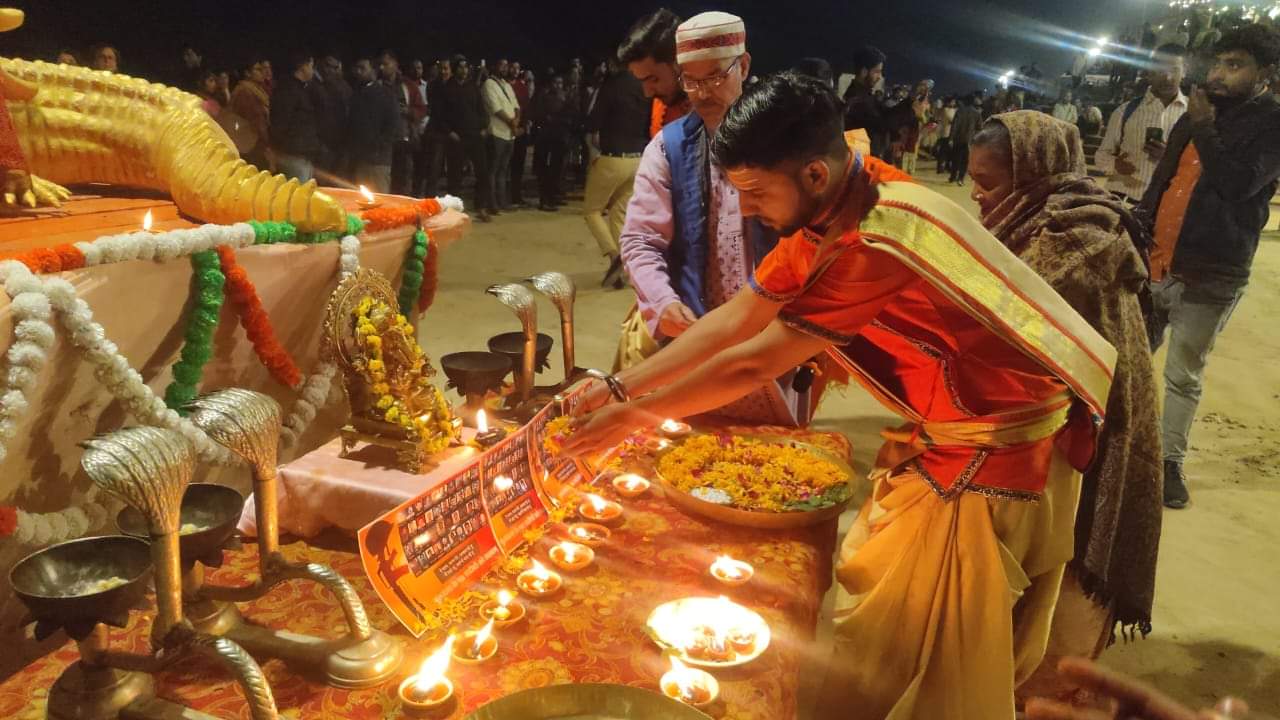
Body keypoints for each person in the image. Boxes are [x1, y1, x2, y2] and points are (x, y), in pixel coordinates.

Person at [565, 72, 1116, 720]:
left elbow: (753, 362)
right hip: (958, 429)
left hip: (989, 452)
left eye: (755, 193)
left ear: (815, 177)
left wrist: (633, 417)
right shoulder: (843, 199)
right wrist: (619, 384)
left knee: (923, 652)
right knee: (879, 607)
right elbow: (737, 318)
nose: (746, 210)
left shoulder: (873, 238)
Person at [967, 111, 1162, 702]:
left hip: (1097, 434)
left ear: (1036, 174)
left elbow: (1009, 331)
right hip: (1056, 425)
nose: (976, 194)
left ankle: (1046, 692)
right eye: (973, 179)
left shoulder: (1077, 240)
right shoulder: (1026, 222)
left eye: (989, 182)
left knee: (1068, 574)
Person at [616, 12, 835, 426]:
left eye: (715, 77)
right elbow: (641, 240)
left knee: (774, 464)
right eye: (690, 80)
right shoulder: (669, 147)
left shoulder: (790, 139)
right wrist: (663, 303)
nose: (701, 93)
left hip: (777, 334)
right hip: (698, 333)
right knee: (693, 450)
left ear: (745, 66)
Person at [1137, 25, 1280, 509]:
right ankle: (1110, 443)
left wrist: (1202, 126)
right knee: (1129, 358)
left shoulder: (1271, 123)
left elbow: (1238, 184)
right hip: (1157, 259)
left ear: (1265, 74)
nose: (1218, 74)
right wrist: (1138, 231)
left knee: (1182, 374)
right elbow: (1163, 180)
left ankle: (1168, 463)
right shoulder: (1200, 113)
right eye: (1217, 63)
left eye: (1234, 65)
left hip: (1210, 272)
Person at [584, 56, 649, 289]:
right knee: (619, 214)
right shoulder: (642, 86)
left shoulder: (611, 85)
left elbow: (593, 121)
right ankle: (625, 270)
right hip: (638, 158)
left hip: (613, 157)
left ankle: (614, 257)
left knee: (592, 211)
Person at [1096, 44, 1188, 204]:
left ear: (1184, 71)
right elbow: (1102, 154)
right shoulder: (1125, 111)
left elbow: (1200, 168)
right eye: (1160, 70)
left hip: (1165, 206)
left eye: (1174, 70)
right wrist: (1115, 165)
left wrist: (1170, 157)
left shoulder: (1193, 115)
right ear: (1150, 73)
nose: (1168, 77)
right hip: (1122, 200)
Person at [617, 8, 692, 138]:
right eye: (642, 81)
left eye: (653, 79)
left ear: (679, 63)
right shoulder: (664, 101)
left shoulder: (718, 107)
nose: (648, 93)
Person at [441, 55, 493, 220]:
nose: (464, 70)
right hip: (457, 137)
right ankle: (453, 209)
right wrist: (449, 132)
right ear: (455, 69)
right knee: (455, 176)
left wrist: (484, 126)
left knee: (482, 172)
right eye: (460, 67)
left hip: (475, 135)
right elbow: (440, 114)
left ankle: (481, 206)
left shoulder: (472, 87)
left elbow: (481, 108)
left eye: (466, 67)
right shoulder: (447, 88)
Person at [270, 52, 323, 183]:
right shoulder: (288, 90)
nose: (313, 70)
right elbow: (280, 123)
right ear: (303, 66)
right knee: (297, 198)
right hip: (293, 156)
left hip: (302, 155)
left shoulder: (300, 89)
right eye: (311, 66)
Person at [347, 57, 399, 193]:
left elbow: (392, 125)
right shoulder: (356, 94)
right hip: (360, 158)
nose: (358, 72)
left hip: (378, 159)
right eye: (357, 68)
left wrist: (379, 145)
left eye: (363, 68)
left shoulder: (385, 94)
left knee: (379, 200)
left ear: (373, 71)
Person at [379, 51, 424, 197]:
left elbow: (422, 109)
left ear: (395, 64)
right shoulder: (377, 86)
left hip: (404, 140)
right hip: (384, 142)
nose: (381, 67)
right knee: (385, 181)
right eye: (380, 64)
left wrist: (409, 111)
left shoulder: (407, 85)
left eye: (385, 64)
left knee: (403, 180)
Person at [532, 74, 573, 211]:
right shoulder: (543, 96)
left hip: (560, 138)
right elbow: (539, 115)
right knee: (544, 170)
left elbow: (570, 115)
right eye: (555, 82)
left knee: (557, 169)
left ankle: (553, 197)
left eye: (560, 82)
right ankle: (544, 200)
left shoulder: (565, 97)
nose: (558, 85)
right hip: (545, 138)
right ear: (550, 84)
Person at [483, 59, 519, 211]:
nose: (505, 68)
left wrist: (516, 121)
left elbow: (516, 106)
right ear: (494, 67)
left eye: (506, 65)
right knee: (493, 170)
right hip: (496, 132)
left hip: (509, 134)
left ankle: (502, 202)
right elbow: (496, 109)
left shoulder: (507, 85)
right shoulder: (488, 84)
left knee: (503, 170)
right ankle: (492, 204)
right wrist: (512, 123)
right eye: (501, 65)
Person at [843, 45, 887, 157]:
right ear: (864, 72)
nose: (879, 77)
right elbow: (882, 122)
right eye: (877, 72)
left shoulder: (866, 95)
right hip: (864, 164)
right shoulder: (856, 99)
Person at [421, 60, 456, 197]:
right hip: (438, 131)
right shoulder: (434, 85)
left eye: (446, 68)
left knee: (453, 168)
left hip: (453, 131)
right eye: (441, 68)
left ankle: (452, 198)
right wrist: (448, 130)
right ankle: (430, 199)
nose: (443, 71)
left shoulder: (455, 85)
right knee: (434, 168)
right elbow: (436, 111)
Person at [230, 56, 271, 168]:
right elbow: (255, 121)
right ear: (247, 73)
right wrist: (267, 144)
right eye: (258, 69)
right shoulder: (245, 92)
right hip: (253, 148)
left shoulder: (257, 89)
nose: (262, 72)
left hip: (258, 146)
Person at [316, 56, 352, 175]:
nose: (330, 70)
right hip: (323, 143)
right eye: (328, 66)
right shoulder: (316, 86)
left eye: (335, 67)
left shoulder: (345, 88)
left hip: (342, 143)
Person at [509, 63, 533, 205]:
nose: (515, 70)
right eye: (513, 67)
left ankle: (515, 195)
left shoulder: (522, 87)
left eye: (518, 68)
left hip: (520, 131)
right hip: (506, 129)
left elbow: (526, 108)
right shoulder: (504, 86)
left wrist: (523, 127)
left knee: (518, 165)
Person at [948, 93, 982, 184]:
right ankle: (961, 178)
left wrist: (951, 138)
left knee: (955, 158)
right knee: (965, 160)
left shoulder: (959, 111)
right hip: (969, 140)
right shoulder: (977, 113)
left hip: (958, 139)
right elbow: (979, 128)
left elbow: (955, 125)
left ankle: (952, 177)